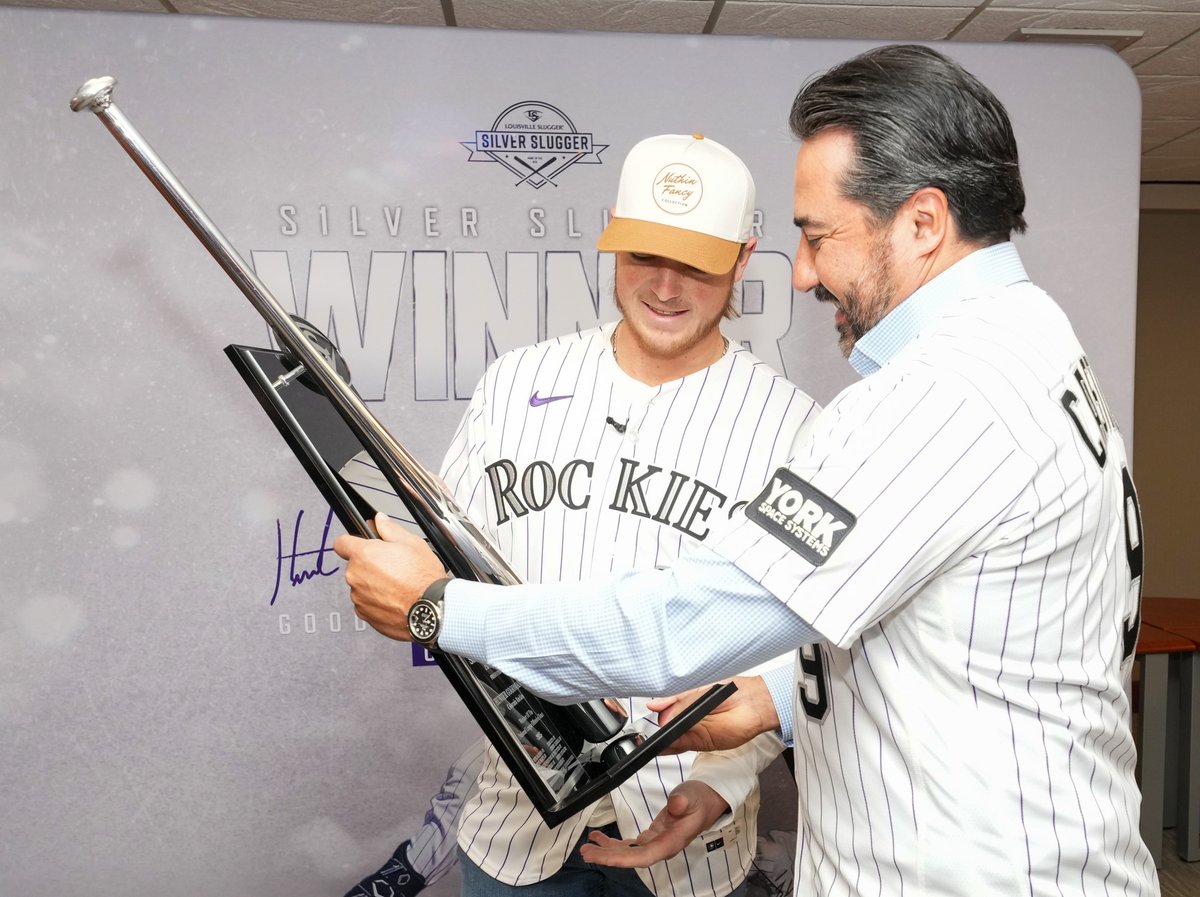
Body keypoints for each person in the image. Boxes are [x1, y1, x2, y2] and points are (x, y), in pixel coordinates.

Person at [334, 44, 1158, 896]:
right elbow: (939, 623)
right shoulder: (1030, 336)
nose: (802, 274)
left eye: (818, 235)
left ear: (923, 221)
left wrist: (438, 606)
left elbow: (674, 630)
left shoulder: (940, 395)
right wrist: (771, 696)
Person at [343, 132, 821, 897]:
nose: (665, 287)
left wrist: (724, 781)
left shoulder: (794, 425)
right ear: (612, 236)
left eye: (696, 263)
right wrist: (404, 577)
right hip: (514, 818)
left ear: (743, 256)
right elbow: (456, 568)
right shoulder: (517, 380)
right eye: (642, 255)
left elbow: (803, 641)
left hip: (689, 828)